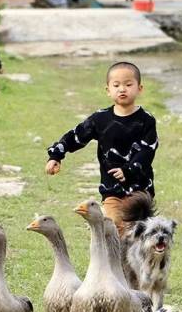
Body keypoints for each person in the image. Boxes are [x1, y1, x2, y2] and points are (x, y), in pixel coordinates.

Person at [45, 61, 158, 233]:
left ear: (139, 88)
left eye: (128, 84)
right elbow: (76, 135)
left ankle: (136, 259)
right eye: (116, 85)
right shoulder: (100, 119)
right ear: (108, 90)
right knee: (114, 228)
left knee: (140, 234)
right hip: (111, 189)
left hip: (140, 191)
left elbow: (147, 150)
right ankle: (116, 259)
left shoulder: (146, 120)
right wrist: (56, 155)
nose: (122, 89)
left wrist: (128, 170)